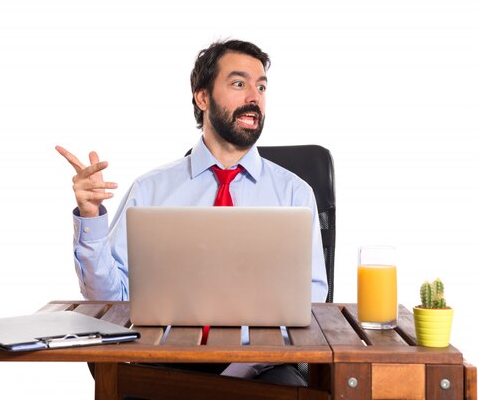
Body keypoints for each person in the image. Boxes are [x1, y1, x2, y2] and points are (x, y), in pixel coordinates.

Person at [56, 39, 328, 386]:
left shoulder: (294, 193)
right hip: (165, 359)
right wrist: (91, 216)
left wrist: (237, 372)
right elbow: (111, 300)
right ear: (202, 98)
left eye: (261, 86)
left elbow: (311, 299)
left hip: (261, 368)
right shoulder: (151, 189)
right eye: (239, 83)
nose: (254, 97)